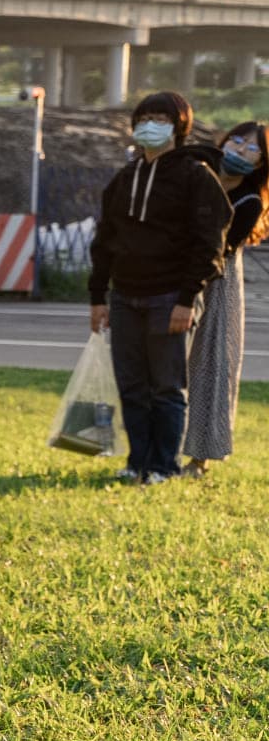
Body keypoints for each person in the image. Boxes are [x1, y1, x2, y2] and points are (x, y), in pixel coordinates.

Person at [87, 90, 231, 486]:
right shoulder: (125, 177)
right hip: (124, 296)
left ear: (179, 127)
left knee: (166, 387)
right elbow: (105, 240)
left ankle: (163, 466)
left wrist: (188, 298)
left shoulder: (195, 176)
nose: (150, 125)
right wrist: (98, 296)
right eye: (144, 117)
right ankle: (138, 461)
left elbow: (209, 242)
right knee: (132, 385)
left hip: (170, 297)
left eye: (161, 119)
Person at [183, 120, 263, 475]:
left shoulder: (248, 202)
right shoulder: (194, 174)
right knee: (165, 366)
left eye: (252, 148)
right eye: (238, 140)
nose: (241, 149)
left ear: (262, 163)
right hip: (173, 272)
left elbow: (221, 250)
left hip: (216, 282)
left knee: (211, 365)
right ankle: (156, 450)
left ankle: (200, 457)